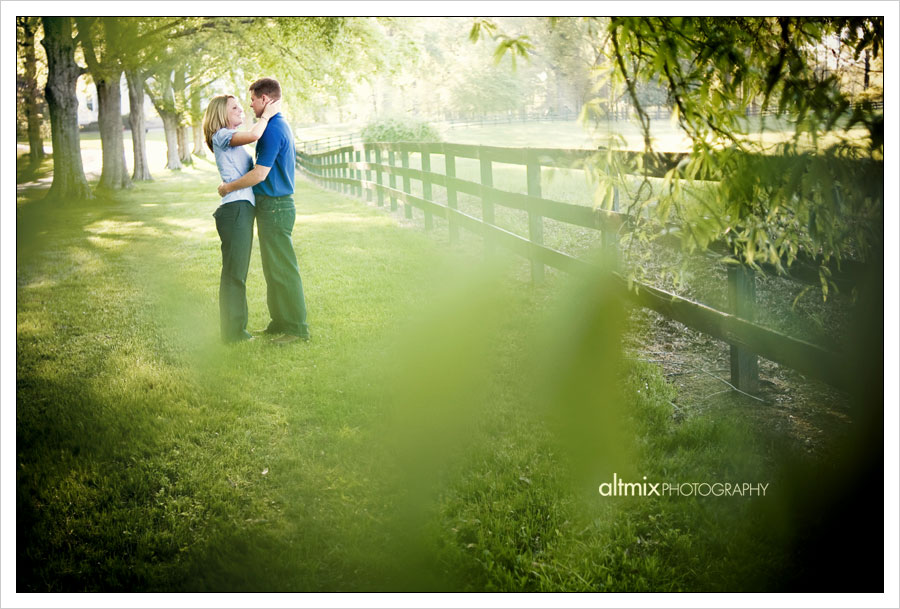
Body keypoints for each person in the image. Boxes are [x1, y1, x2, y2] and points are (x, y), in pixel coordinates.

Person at [217, 78, 310, 344]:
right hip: (272, 207)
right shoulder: (274, 125)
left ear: (265, 99)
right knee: (273, 269)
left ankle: (296, 328)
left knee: (283, 268)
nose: (251, 105)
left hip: (276, 207)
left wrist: (229, 187)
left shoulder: (272, 130)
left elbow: (259, 174)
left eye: (254, 100)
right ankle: (280, 321)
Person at [202, 94, 280, 343]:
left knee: (238, 273)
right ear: (221, 114)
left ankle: (236, 331)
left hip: (241, 209)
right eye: (234, 107)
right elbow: (255, 134)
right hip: (235, 210)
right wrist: (266, 115)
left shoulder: (231, 139)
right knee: (235, 274)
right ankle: (234, 334)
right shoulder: (221, 135)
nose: (241, 110)